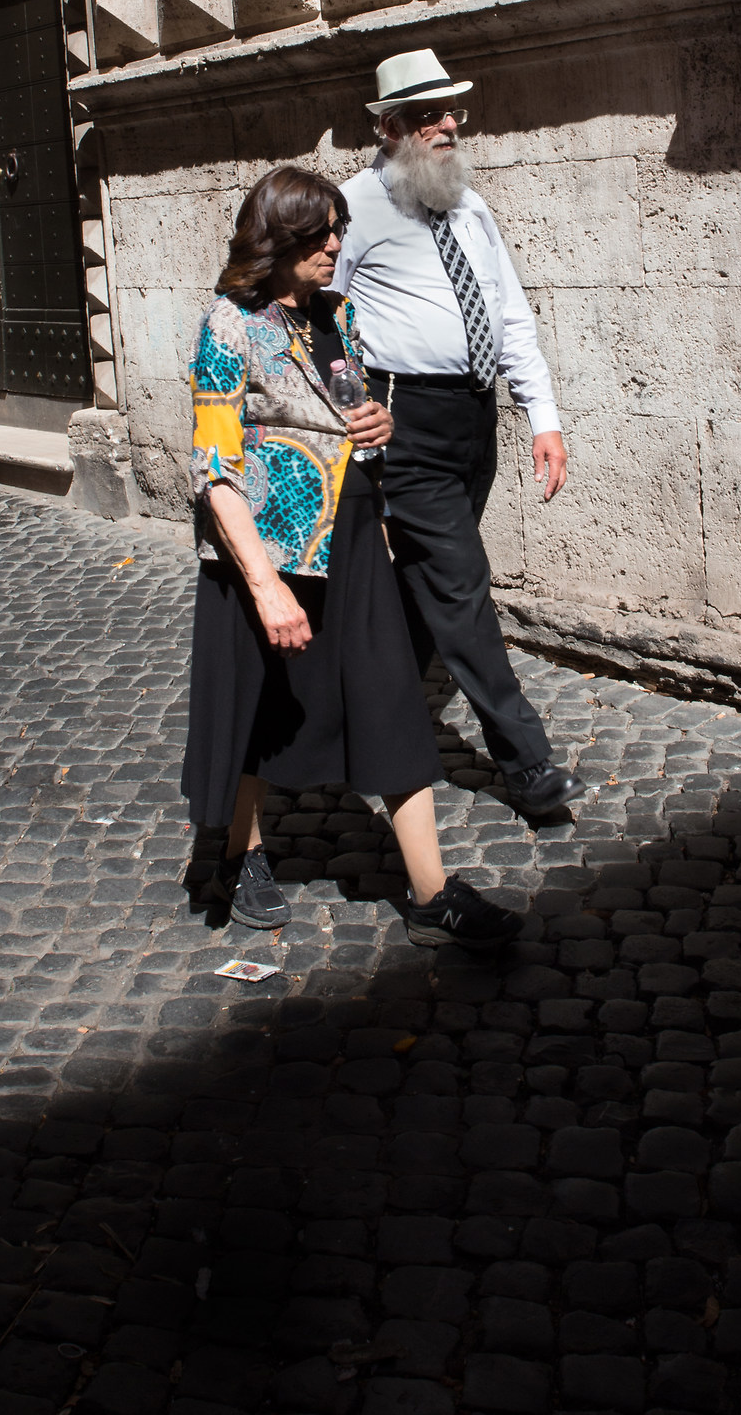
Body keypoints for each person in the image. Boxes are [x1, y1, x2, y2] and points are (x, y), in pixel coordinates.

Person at [181, 162, 523, 951]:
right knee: (260, 706)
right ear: (277, 237)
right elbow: (215, 469)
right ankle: (241, 853)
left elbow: (353, 410)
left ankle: (432, 895)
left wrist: (378, 425)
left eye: (339, 231)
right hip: (267, 554)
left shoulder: (340, 314)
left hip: (357, 539)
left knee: (391, 696)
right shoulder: (228, 324)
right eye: (320, 234)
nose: (337, 245)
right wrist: (265, 588)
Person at [334, 50, 584, 821]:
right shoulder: (352, 208)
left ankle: (362, 723)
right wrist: (351, 405)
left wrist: (542, 416)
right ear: (389, 128)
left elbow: (509, 312)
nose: (448, 125)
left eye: (451, 112)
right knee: (462, 587)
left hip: (476, 420)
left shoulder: (468, 205)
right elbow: (317, 320)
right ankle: (529, 764)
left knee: (427, 590)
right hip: (404, 423)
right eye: (429, 116)